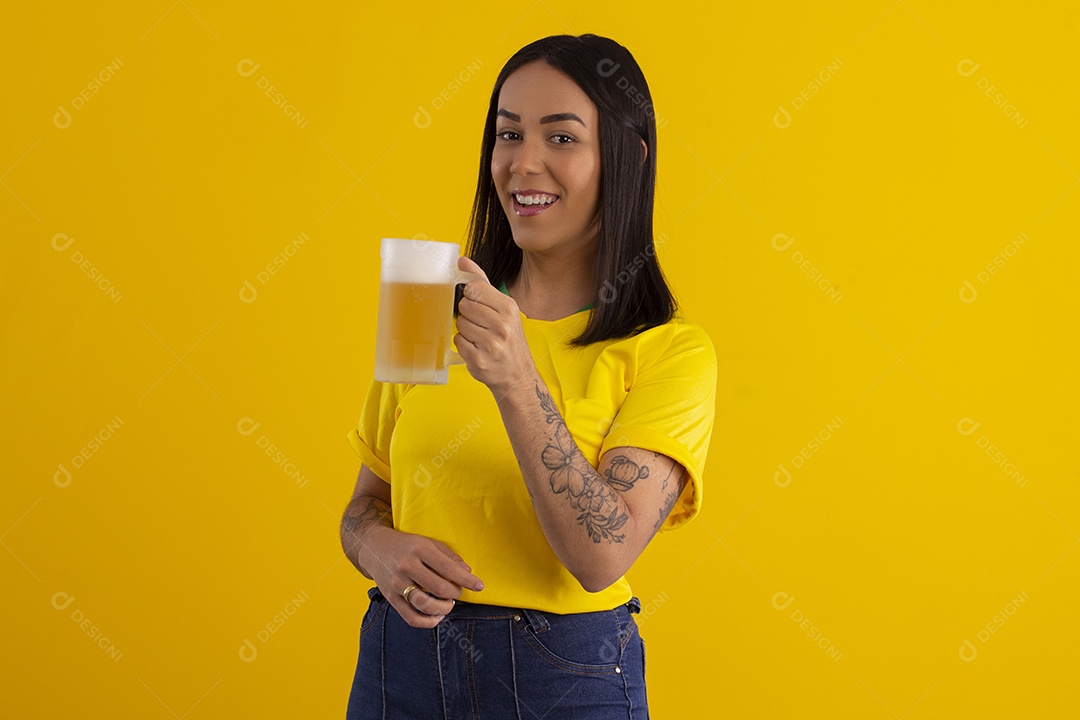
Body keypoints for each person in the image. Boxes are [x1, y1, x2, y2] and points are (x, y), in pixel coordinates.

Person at [340, 33, 716, 719]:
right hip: (398, 670)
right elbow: (363, 508)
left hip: (563, 682)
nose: (524, 163)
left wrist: (516, 380)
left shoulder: (669, 352)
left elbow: (602, 557)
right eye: (508, 134)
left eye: (563, 139)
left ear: (628, 158)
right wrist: (379, 551)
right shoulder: (432, 306)